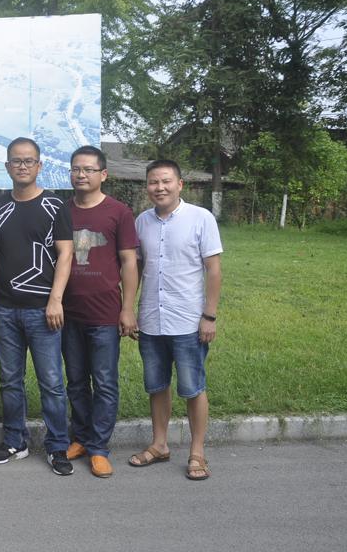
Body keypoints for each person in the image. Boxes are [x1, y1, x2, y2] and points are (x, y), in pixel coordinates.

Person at [0, 137, 75, 476]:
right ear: (7, 166)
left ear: (39, 166)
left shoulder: (54, 206)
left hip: (43, 310)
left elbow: (65, 254)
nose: (22, 166)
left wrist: (55, 300)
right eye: (16, 161)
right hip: (5, 309)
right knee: (10, 379)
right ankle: (15, 441)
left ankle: (57, 446)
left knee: (51, 382)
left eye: (29, 161)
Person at [129, 159, 222, 481]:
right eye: (153, 182)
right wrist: (129, 309)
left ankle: (197, 452)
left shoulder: (201, 218)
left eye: (166, 181)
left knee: (193, 387)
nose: (160, 188)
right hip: (151, 319)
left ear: (180, 184)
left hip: (188, 321)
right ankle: (159, 444)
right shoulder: (142, 221)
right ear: (147, 187)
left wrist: (209, 316)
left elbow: (214, 269)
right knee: (156, 386)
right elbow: (136, 269)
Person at [58, 145, 139, 478]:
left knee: (104, 382)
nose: (81, 175)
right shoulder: (61, 211)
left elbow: (129, 262)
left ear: (103, 174)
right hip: (68, 312)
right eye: (76, 169)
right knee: (76, 381)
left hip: (105, 313)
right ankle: (80, 437)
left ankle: (99, 447)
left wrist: (128, 308)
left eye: (89, 169)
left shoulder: (118, 212)